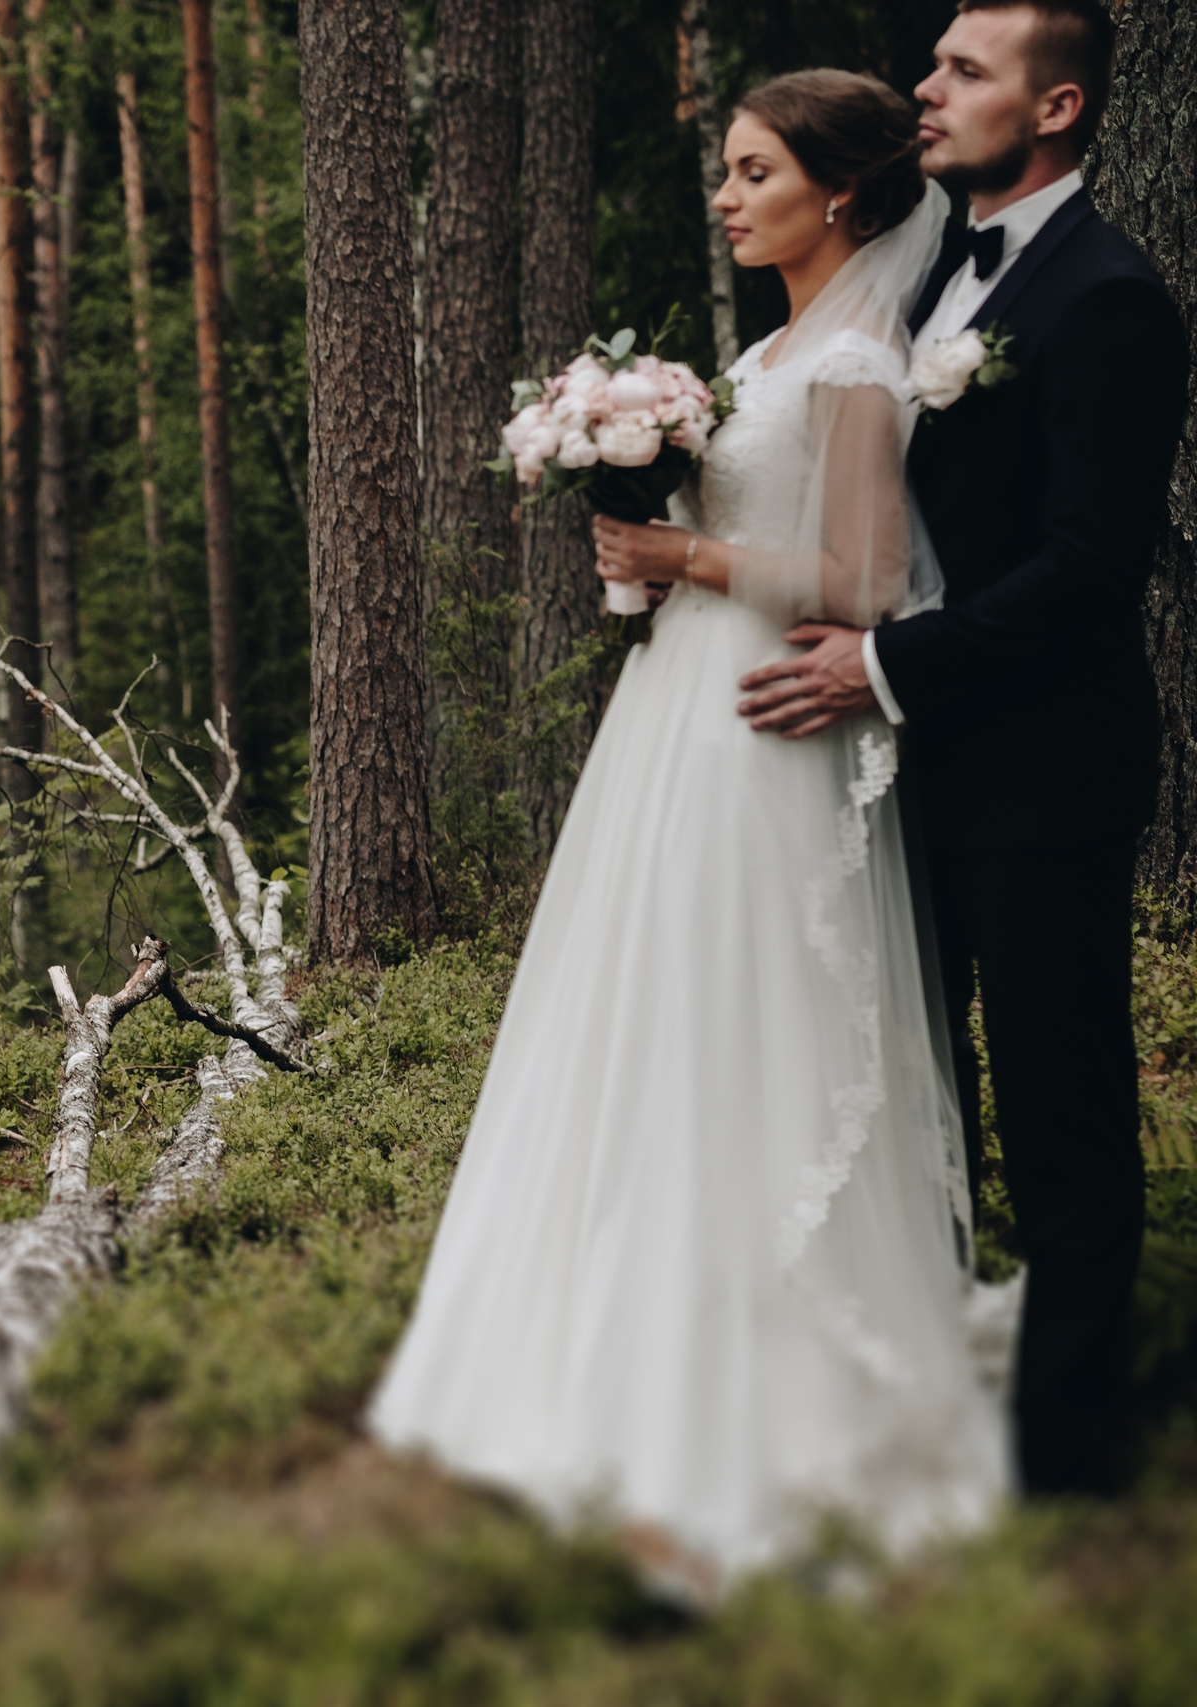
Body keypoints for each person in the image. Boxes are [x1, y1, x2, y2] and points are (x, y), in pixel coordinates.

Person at [369, 70, 1009, 1602]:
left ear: (839, 195)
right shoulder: (770, 346)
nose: (724, 196)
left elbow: (865, 581)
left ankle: (770, 1388)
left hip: (772, 723)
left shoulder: (854, 355)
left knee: (751, 1024)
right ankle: (624, 1349)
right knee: (656, 1021)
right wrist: (653, 546)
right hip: (680, 712)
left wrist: (692, 550)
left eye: (751, 170)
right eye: (724, 171)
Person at [725, 0, 1182, 1499]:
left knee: (1059, 1112)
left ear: (1053, 111)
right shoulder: (913, 284)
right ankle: (933, 1397)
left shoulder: (1110, 298)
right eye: (930, 64)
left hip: (1043, 767)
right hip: (900, 775)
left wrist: (883, 663)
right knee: (912, 1094)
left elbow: (1088, 564)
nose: (926, 89)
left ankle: (1063, 1451)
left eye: (965, 71)